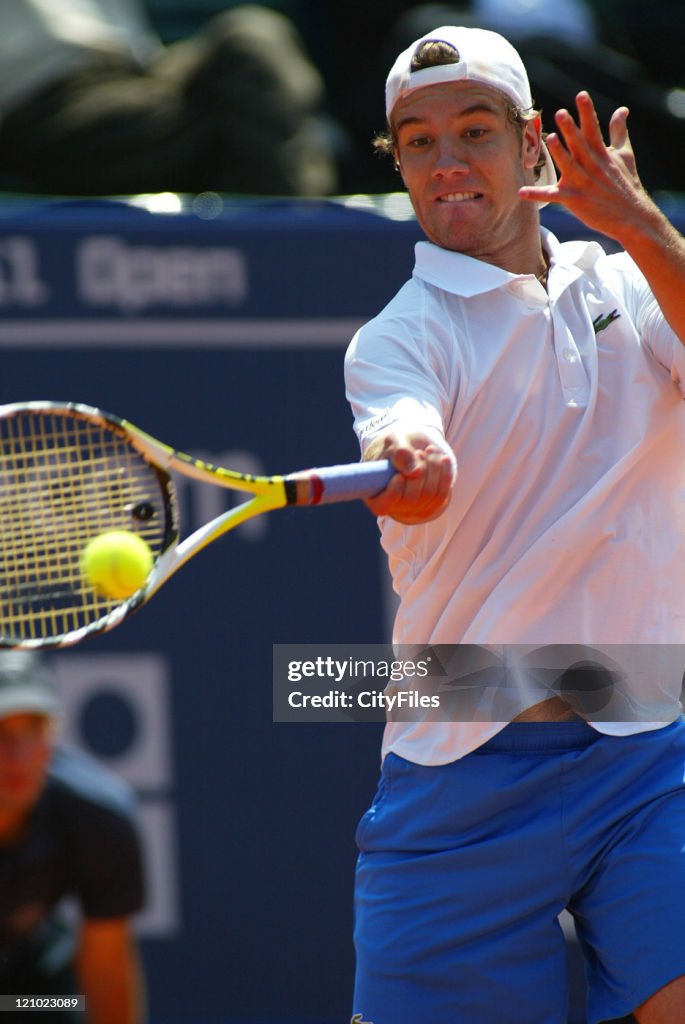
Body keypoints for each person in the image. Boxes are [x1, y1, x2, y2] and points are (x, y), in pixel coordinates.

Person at [344, 23, 685, 1024]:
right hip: (462, 773)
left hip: (646, 751)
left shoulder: (629, 282)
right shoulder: (398, 337)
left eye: (475, 131)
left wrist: (640, 224)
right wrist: (416, 459)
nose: (446, 163)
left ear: (531, 142)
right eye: (417, 141)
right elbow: (404, 421)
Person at [0, 1, 336, 197]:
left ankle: (301, 244)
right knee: (241, 97)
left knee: (254, 37)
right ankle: (304, 257)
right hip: (50, 100)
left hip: (140, 71)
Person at [0, 651, 146, 1023]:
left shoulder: (97, 816)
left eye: (33, 728)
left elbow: (107, 968)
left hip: (28, 992)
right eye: (0, 731)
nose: (17, 754)